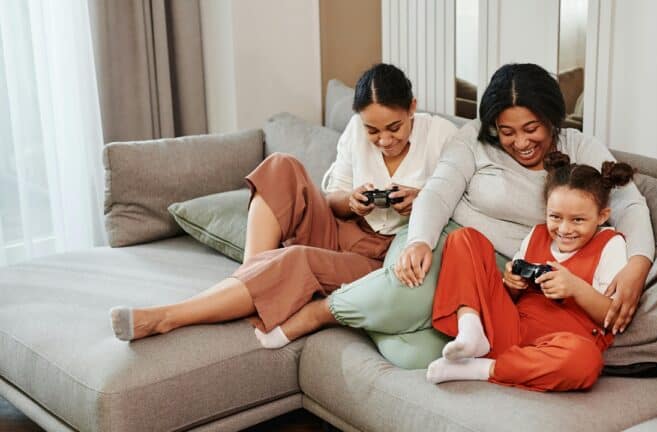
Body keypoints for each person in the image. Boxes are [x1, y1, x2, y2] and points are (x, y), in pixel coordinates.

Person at [253, 63, 654, 369]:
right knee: (403, 293)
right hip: (447, 237)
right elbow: (439, 191)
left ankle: (367, 312)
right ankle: (319, 313)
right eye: (506, 131)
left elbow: (629, 204)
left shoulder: (582, 148)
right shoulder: (473, 140)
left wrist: (637, 265)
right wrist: (420, 242)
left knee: (413, 355)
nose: (520, 142)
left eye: (531, 128)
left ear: (553, 118)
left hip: (499, 271)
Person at [108, 63, 458, 342]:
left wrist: (422, 200)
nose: (383, 140)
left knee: (296, 259)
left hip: (377, 258)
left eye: (394, 128)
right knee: (280, 165)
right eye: (372, 130)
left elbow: (461, 202)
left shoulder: (442, 136)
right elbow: (331, 199)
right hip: (342, 228)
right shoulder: (355, 129)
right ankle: (248, 278)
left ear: (412, 107)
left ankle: (166, 318)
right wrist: (351, 202)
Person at [425, 152, 633, 391]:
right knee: (464, 238)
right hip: (511, 329)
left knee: (585, 361)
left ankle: (483, 369)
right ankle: (470, 329)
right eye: (555, 217)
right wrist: (512, 285)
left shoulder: (610, 243)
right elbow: (510, 296)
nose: (564, 229)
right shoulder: (537, 234)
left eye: (577, 220)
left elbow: (613, 315)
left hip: (557, 347)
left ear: (602, 216)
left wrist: (575, 287)